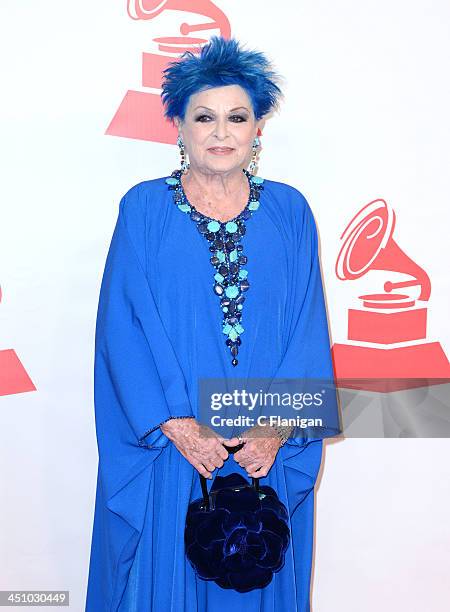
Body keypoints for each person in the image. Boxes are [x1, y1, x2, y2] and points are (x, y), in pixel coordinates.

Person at [85, 36, 340, 611]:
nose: (221, 132)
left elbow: (306, 330)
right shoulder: (143, 209)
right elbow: (120, 330)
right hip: (175, 452)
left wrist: (277, 429)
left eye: (236, 117)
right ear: (179, 126)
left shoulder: (290, 211)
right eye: (205, 117)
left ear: (257, 131)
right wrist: (174, 424)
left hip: (259, 453)